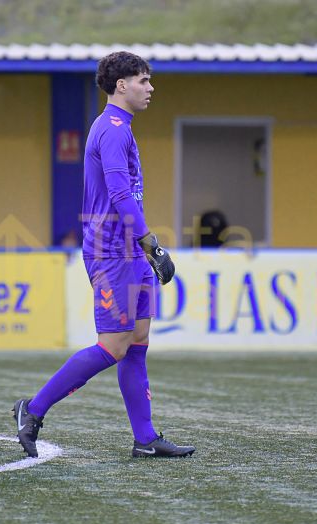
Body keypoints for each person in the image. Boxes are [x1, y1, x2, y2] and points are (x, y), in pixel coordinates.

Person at [12, 51, 194, 459]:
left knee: (137, 343)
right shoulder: (111, 129)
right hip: (112, 251)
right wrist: (153, 245)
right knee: (113, 346)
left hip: (129, 250)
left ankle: (145, 439)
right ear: (121, 85)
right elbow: (119, 195)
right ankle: (33, 409)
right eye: (143, 80)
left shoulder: (120, 128)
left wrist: (143, 247)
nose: (150, 88)